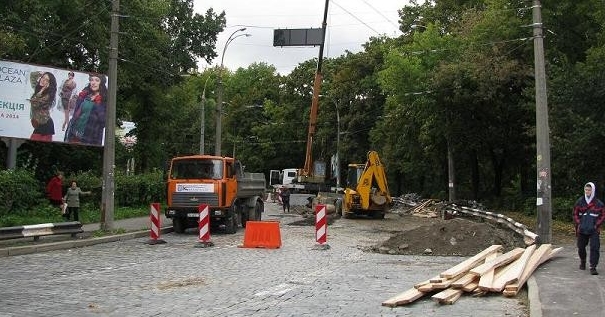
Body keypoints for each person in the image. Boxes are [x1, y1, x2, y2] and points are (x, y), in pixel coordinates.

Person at [64, 73, 107, 145]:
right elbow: (75, 114)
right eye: (91, 80)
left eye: (97, 80)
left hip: (89, 138)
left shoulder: (104, 99)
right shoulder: (85, 95)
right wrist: (79, 99)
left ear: (101, 83)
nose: (93, 83)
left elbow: (103, 122)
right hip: (73, 134)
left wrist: (98, 104)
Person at [573, 182, 605, 275]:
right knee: (581, 247)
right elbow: (575, 214)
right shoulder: (580, 201)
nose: (587, 191)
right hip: (582, 229)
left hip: (594, 230)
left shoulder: (599, 203)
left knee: (595, 248)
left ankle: (593, 267)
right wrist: (579, 223)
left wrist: (596, 225)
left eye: (589, 190)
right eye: (586, 190)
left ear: (593, 190)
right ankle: (583, 261)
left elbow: (603, 215)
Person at [29, 71, 58, 141]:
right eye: (43, 78)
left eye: (47, 80)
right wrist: (40, 73)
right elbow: (32, 76)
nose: (43, 80)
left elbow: (34, 103)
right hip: (39, 123)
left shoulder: (48, 95)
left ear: (49, 84)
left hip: (45, 125)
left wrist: (41, 91)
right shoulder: (38, 87)